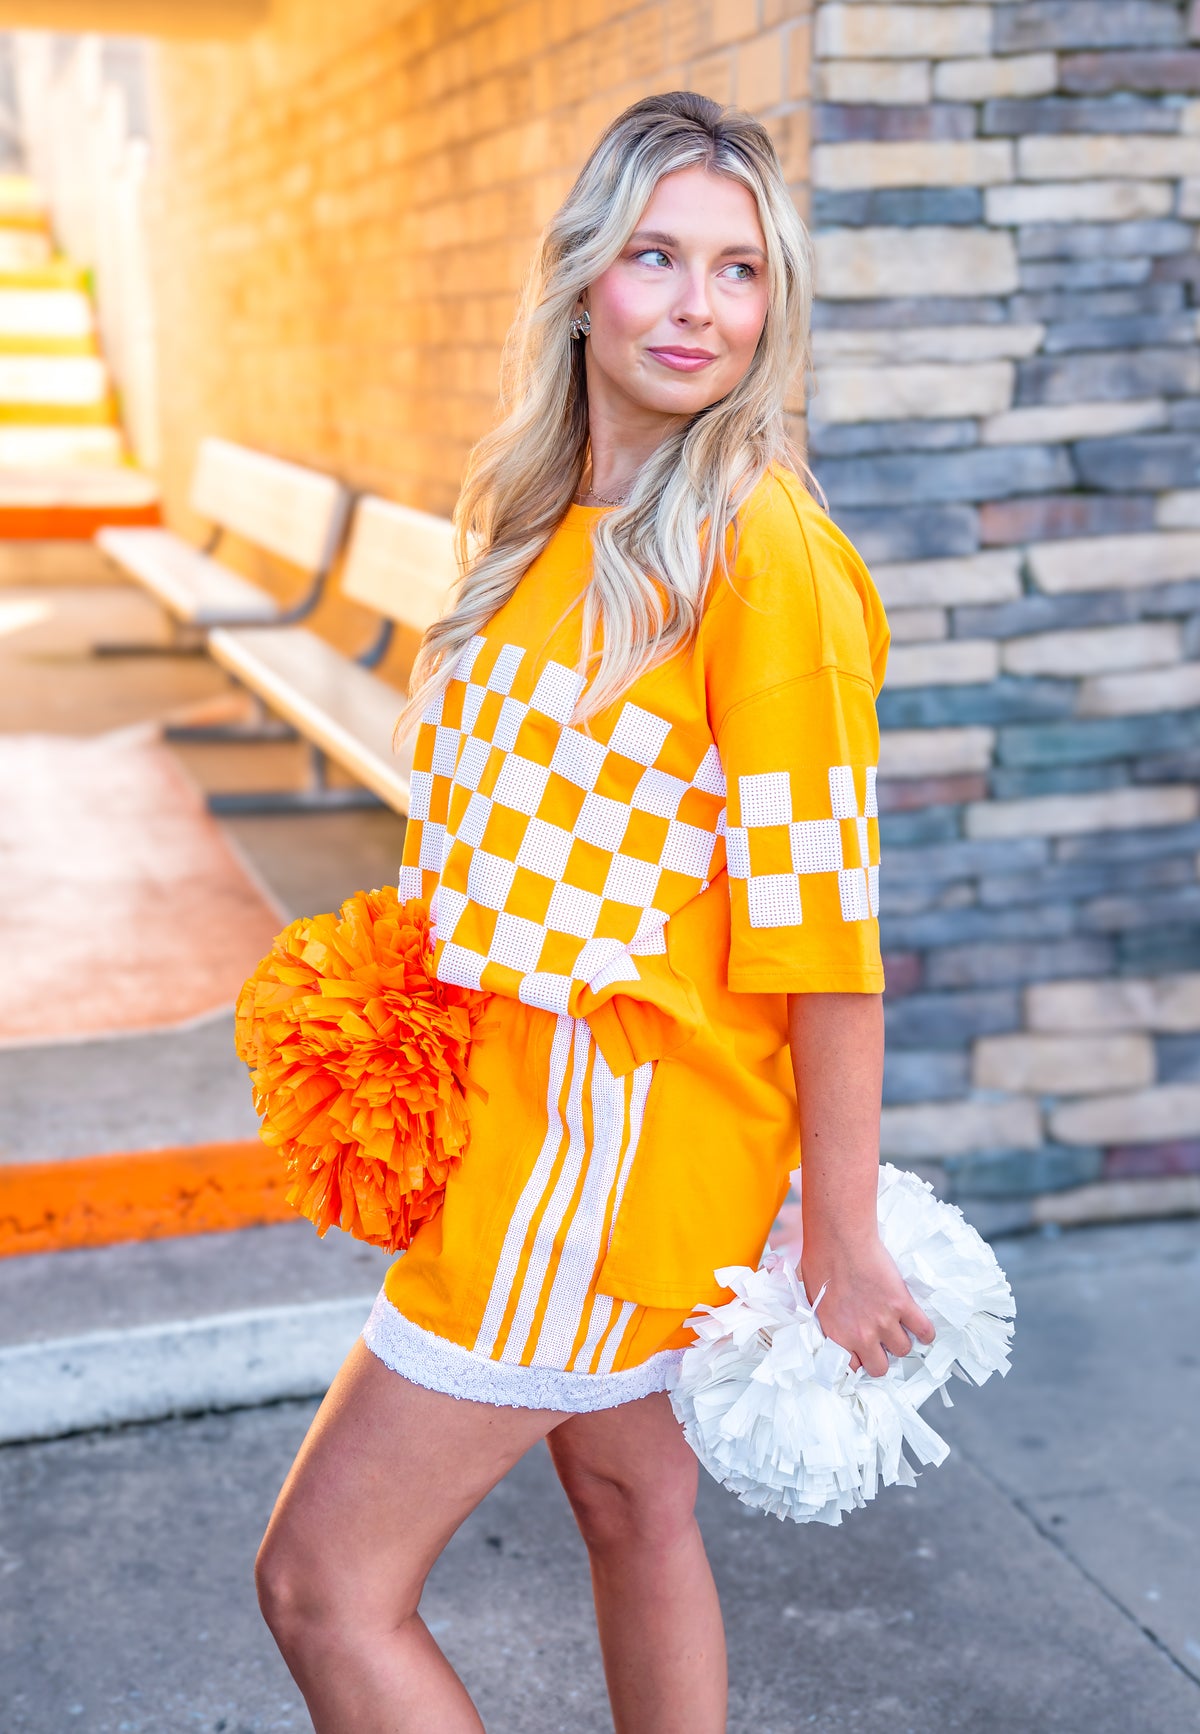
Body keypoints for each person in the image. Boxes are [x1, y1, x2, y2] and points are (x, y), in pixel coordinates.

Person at [255, 89, 935, 1734]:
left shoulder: (761, 549)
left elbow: (821, 928)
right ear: (580, 281)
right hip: (518, 1133)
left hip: (600, 1172)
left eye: (741, 269)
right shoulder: (555, 528)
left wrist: (839, 1233)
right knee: (635, 1510)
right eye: (655, 257)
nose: (701, 305)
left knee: (322, 1583)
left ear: (777, 304)